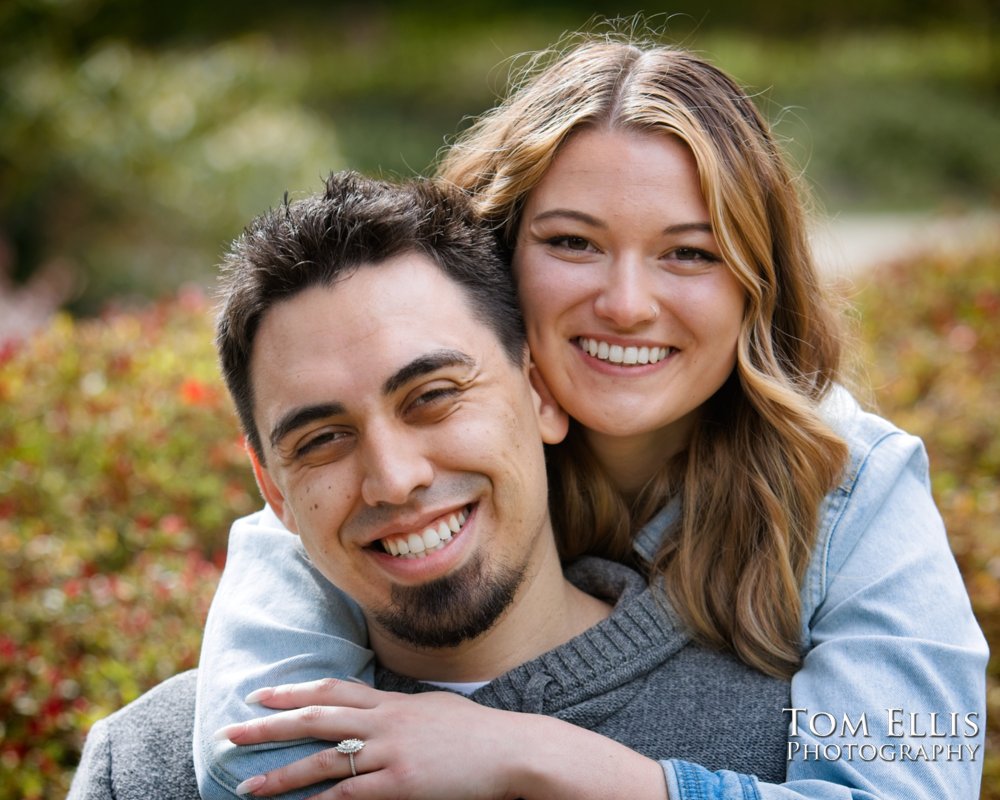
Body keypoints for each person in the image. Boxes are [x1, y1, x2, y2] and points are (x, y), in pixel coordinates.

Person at [195, 34, 988, 800]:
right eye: (574, 243)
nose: (626, 305)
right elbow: (261, 753)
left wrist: (531, 753)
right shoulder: (389, 478)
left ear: (756, 285)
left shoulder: (852, 486)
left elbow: (911, 786)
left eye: (689, 253)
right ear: (498, 256)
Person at [69, 172, 794, 800]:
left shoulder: (776, 737)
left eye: (434, 396)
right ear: (275, 493)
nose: (394, 478)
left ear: (540, 392)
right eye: (322, 440)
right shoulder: (144, 768)